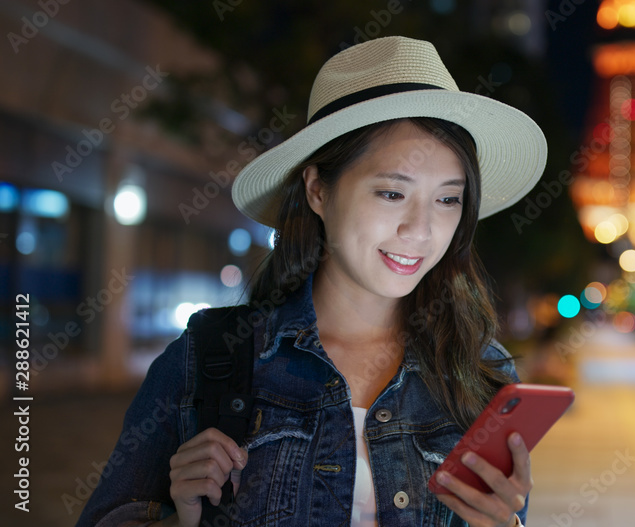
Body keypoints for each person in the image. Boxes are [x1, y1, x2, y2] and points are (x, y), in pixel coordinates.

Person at [75, 36, 548, 527]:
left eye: (448, 200)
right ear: (318, 190)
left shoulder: (481, 373)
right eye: (391, 193)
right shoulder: (211, 357)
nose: (421, 230)